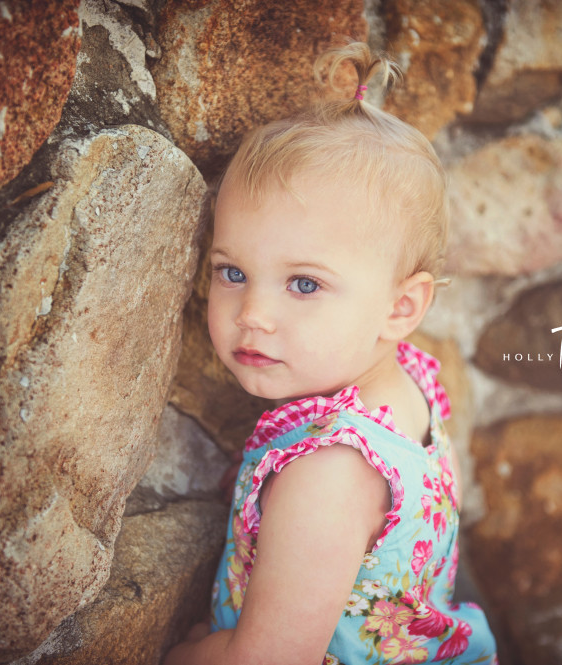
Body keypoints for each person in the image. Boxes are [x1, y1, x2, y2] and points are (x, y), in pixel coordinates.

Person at [165, 40, 497, 665]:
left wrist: (186, 657)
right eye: (232, 272)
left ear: (400, 307)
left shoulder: (328, 474)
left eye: (304, 283)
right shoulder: (409, 384)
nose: (253, 314)